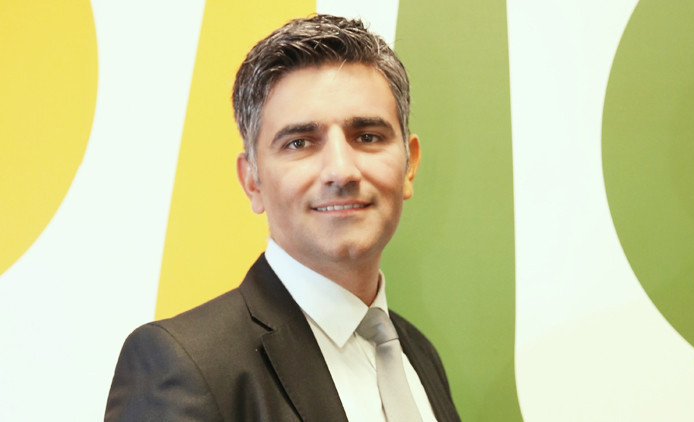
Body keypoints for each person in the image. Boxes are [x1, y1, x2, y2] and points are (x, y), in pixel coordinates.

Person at [105, 14, 460, 422]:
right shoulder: (183, 364)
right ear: (252, 180)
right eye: (299, 143)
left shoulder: (419, 355)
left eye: (367, 137)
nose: (341, 171)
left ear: (409, 165)